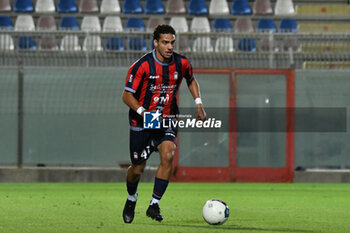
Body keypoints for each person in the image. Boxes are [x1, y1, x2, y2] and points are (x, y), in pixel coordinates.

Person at [122, 24, 206, 223]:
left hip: (167, 118)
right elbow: (127, 95)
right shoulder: (142, 65)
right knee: (137, 168)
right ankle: (131, 198)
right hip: (142, 121)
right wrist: (144, 112)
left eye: (172, 43)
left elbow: (191, 80)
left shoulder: (181, 63)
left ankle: (154, 204)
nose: (169, 47)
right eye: (165, 42)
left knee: (168, 154)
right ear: (156, 43)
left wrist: (199, 103)